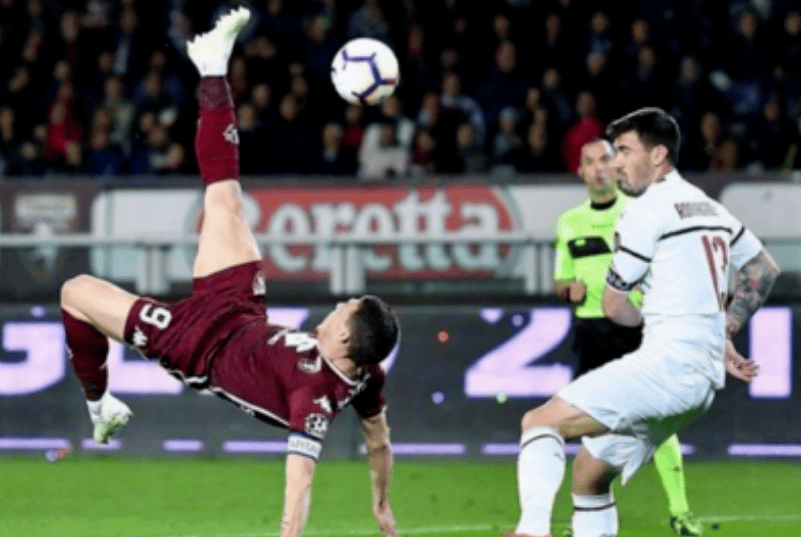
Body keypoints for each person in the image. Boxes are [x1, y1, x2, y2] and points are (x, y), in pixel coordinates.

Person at [59, 9, 399, 537]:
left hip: (197, 346)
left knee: (75, 291)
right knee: (225, 197)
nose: (337, 306)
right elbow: (379, 440)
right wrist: (381, 503)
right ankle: (212, 67)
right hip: (240, 311)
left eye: (345, 310)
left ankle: (99, 405)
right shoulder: (368, 373)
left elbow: (300, 479)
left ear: (344, 339)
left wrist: (288, 534)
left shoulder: (314, 397)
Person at [505, 107, 780, 537]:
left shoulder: (644, 212)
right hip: (701, 380)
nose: (616, 163)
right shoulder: (707, 206)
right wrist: (722, 331)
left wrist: (647, 317)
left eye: (624, 151)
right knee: (589, 474)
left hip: (666, 368)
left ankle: (532, 530)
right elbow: (763, 270)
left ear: (658, 155)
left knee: (539, 422)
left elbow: (615, 306)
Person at [553, 138, 703, 536]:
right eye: (590, 162)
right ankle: (589, 517)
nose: (599, 168)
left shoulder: (639, 212)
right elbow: (561, 280)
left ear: (616, 165)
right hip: (591, 333)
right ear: (581, 172)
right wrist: (568, 290)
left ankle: (680, 512)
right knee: (593, 427)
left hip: (635, 328)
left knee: (658, 420)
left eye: (605, 159)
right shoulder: (569, 222)